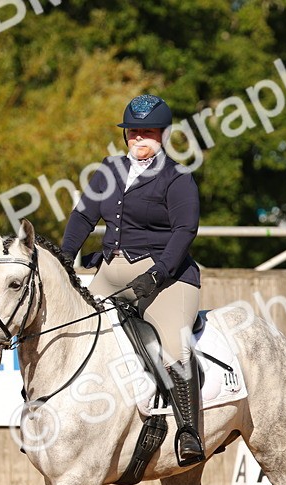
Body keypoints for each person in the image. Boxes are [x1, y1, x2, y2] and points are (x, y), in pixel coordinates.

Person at [61, 94, 205, 466]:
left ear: (162, 135)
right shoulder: (108, 172)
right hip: (111, 272)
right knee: (74, 328)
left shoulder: (178, 178)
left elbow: (185, 231)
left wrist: (156, 276)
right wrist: (64, 259)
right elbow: (82, 219)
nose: (139, 139)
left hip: (169, 276)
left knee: (175, 346)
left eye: (148, 133)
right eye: (133, 132)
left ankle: (189, 432)